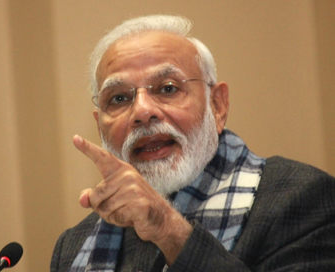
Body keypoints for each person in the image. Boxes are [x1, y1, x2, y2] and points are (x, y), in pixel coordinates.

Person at [50, 15, 335, 272]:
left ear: (218, 105)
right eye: (119, 98)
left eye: (168, 89)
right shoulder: (73, 247)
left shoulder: (302, 198)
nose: (142, 112)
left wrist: (167, 228)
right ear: (99, 124)